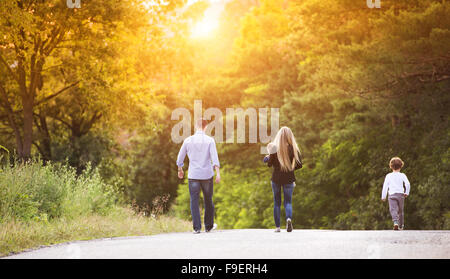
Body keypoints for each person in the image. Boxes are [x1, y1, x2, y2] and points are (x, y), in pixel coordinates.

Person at [176, 118, 220, 234]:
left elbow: (180, 158)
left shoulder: (188, 140)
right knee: (208, 200)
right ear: (206, 127)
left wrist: (180, 169)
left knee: (194, 201)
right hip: (207, 175)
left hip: (193, 174)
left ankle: (197, 228)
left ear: (196, 126)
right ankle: (209, 226)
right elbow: (214, 158)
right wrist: (218, 174)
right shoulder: (210, 140)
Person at [265, 127, 302, 232]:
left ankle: (277, 227)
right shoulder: (294, 148)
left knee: (277, 202)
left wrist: (268, 158)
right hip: (289, 178)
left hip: (276, 178)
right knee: (288, 202)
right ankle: (289, 219)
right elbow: (299, 165)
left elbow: (269, 164)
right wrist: (290, 168)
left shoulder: (274, 148)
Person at [381, 157, 411, 230]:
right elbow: (407, 184)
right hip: (400, 195)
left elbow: (385, 186)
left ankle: (395, 222)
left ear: (391, 166)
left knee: (393, 209)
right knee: (401, 210)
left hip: (391, 195)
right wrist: (406, 192)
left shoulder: (388, 176)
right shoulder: (402, 175)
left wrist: (383, 196)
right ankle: (401, 225)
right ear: (401, 166)